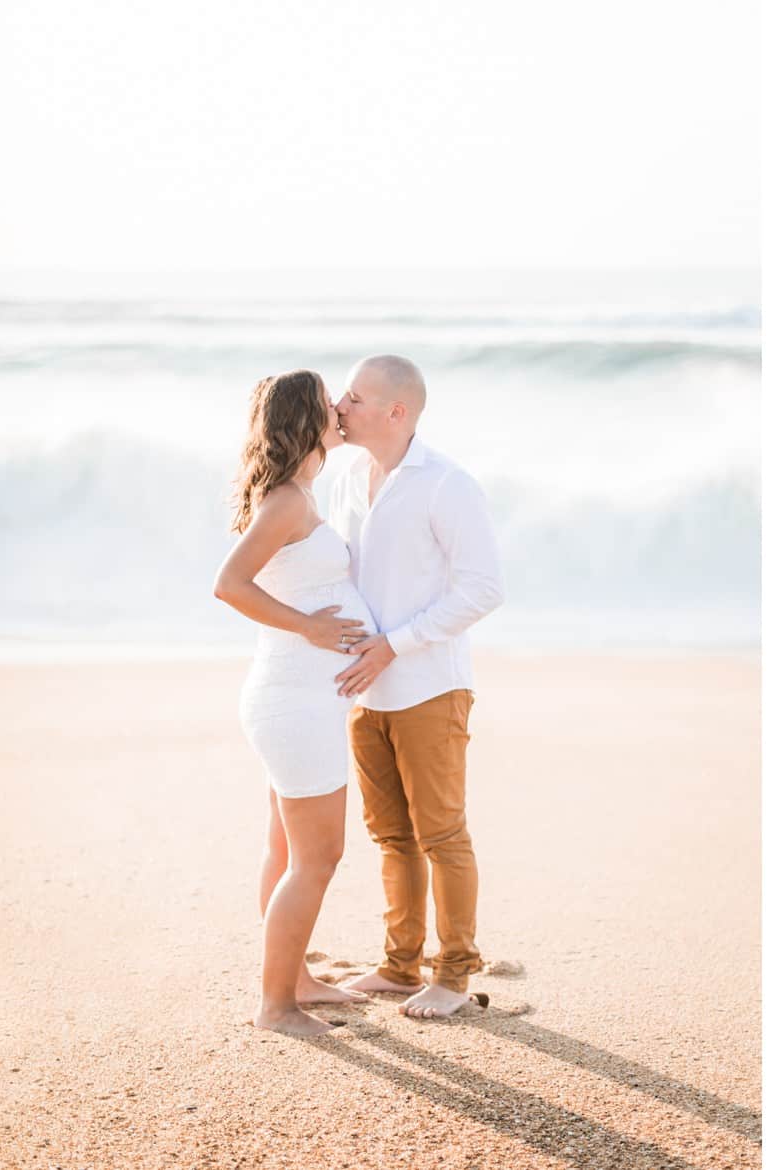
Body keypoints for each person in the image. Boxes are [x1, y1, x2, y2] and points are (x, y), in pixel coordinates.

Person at [328, 355, 505, 1020]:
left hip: (429, 686)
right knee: (392, 837)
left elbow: (484, 588)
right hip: (362, 690)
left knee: (442, 835)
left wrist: (394, 646)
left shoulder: (447, 484)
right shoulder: (345, 475)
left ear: (395, 412)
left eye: (354, 398)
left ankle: (454, 976)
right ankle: (400, 965)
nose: (340, 407)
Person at [214, 370, 374, 1036]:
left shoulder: (300, 494)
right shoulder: (285, 501)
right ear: (304, 419)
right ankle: (275, 1006)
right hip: (293, 703)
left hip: (298, 700)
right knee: (319, 856)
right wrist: (311, 627)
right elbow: (229, 584)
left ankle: (296, 981)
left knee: (285, 852)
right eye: (328, 401)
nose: (340, 407)